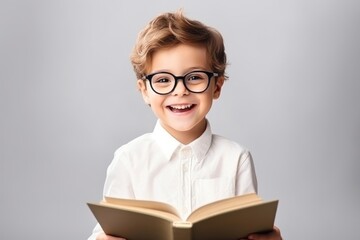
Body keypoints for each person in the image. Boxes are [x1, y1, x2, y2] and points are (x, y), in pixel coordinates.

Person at [88, 10, 283, 240]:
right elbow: (105, 232)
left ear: (217, 86)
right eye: (162, 80)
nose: (180, 90)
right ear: (144, 91)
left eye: (195, 77)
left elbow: (251, 229)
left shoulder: (236, 158)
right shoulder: (128, 159)